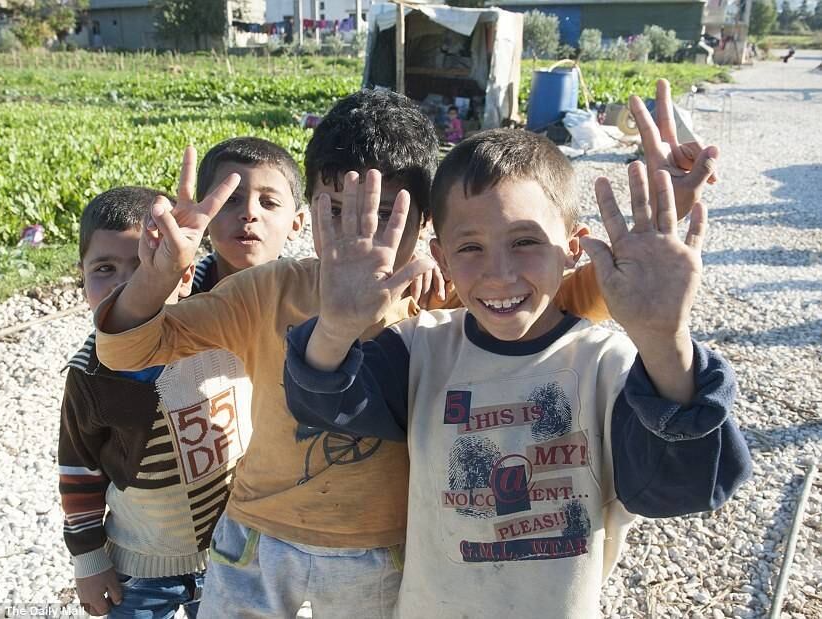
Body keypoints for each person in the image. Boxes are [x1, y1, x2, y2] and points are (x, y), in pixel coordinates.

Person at [93, 81, 718, 618]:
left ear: (425, 227)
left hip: (385, 547)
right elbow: (128, 351)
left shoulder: (445, 294)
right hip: (256, 537)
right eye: (339, 211)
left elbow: (564, 289)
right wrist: (154, 278)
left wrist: (663, 215)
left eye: (388, 214)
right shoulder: (267, 289)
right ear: (311, 210)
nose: (360, 234)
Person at [281, 129, 752, 618]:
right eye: (470, 248)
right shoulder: (420, 349)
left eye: (525, 241)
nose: (499, 272)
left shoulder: (608, 364)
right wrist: (336, 327)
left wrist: (665, 340)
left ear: (572, 248)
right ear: (440, 257)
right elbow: (322, 400)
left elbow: (682, 488)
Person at [58, 137, 306, 618]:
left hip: (244, 547)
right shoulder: (95, 369)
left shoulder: (265, 309)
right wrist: (88, 559)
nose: (131, 281)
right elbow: (79, 466)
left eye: (267, 201)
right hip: (144, 561)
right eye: (105, 269)